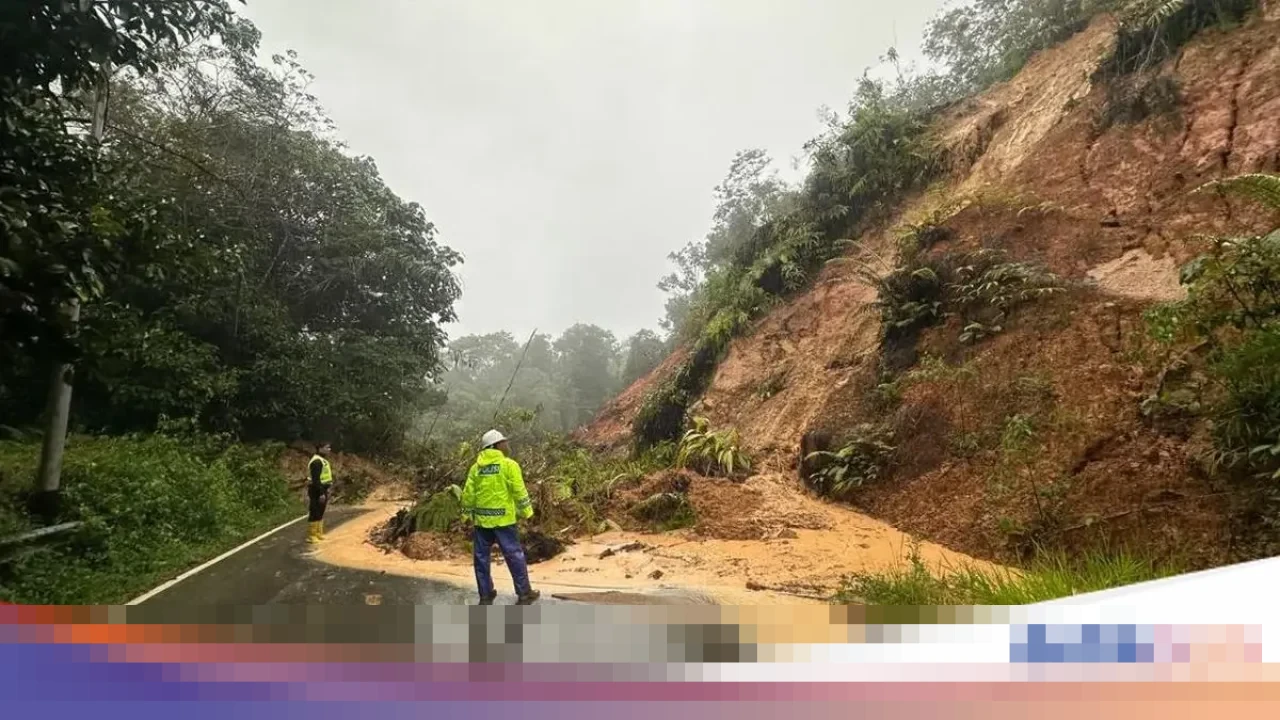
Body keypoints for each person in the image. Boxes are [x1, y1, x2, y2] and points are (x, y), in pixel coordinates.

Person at [461, 429, 540, 605]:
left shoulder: (476, 468)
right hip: (504, 522)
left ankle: (485, 595)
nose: (507, 445)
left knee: (481, 559)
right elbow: (519, 491)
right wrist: (527, 512)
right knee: (514, 556)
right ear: (495, 446)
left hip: (482, 523)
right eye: (504, 442)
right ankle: (524, 593)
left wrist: (465, 515)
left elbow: (468, 494)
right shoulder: (509, 465)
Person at [307, 442, 334, 544]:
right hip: (316, 490)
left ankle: (319, 533)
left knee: (320, 511)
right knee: (314, 510)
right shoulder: (316, 462)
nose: (329, 449)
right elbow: (316, 479)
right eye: (327, 447)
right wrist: (321, 493)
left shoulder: (322, 460)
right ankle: (312, 535)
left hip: (323, 488)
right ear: (320, 448)